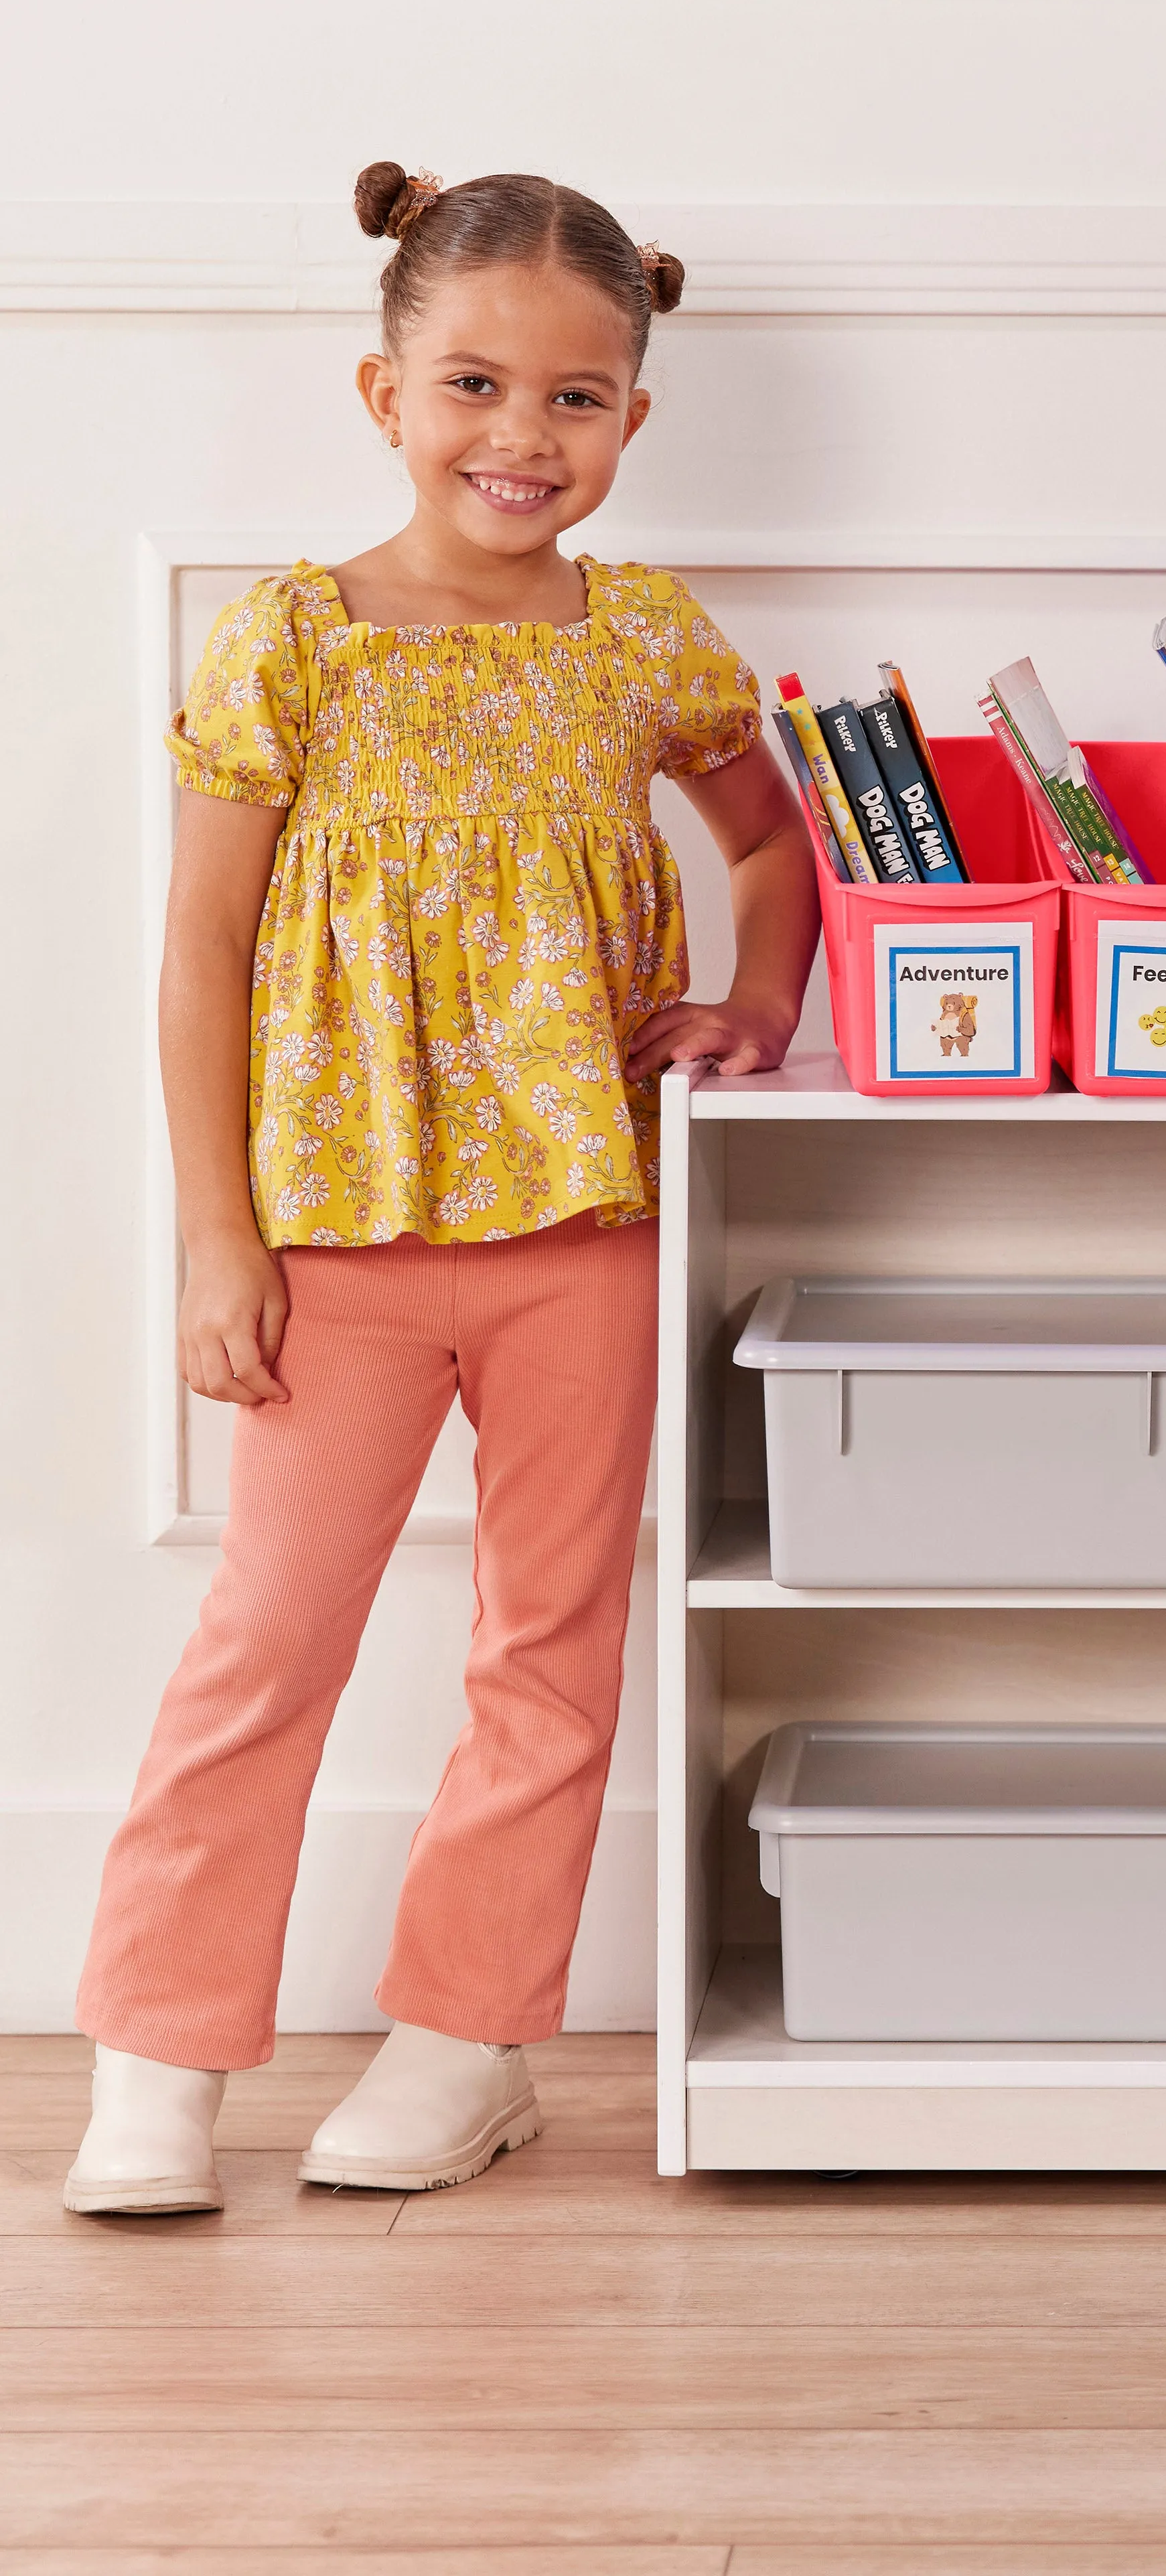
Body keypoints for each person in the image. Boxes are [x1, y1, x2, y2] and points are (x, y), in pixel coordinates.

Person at [65, 163, 816, 2212]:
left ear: (635, 425)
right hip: (343, 1239)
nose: (521, 437)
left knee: (548, 1645)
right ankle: (158, 2054)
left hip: (585, 1235)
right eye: (475, 384)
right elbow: (201, 951)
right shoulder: (292, 640)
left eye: (577, 401)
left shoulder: (644, 636)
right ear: (383, 386)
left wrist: (757, 1004)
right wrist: (222, 1237)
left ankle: (467, 2037)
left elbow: (774, 848)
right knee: (268, 1644)